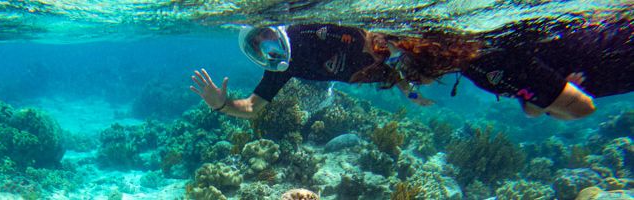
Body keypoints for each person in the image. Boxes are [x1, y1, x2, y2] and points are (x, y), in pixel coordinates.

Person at [189, 15, 632, 120]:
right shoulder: (477, 70)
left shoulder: (488, 61)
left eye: (268, 37)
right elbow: (255, 107)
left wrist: (554, 92)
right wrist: (221, 104)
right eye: (259, 49)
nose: (269, 51)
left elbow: (577, 109)